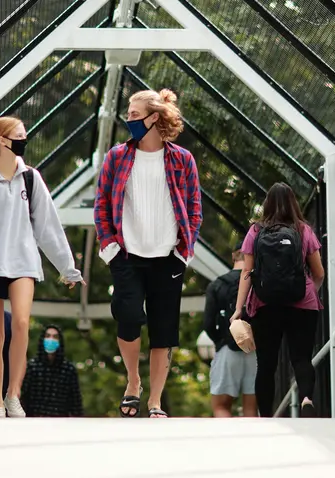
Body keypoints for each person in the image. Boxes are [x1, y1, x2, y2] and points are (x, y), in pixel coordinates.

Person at [0, 116, 85, 418]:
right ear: (0, 140)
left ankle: (13, 394)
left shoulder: (31, 178)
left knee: (22, 325)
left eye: (24, 135)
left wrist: (67, 267)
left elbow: (47, 226)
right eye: (17, 135)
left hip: (23, 263)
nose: (23, 140)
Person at [94, 88, 202, 418]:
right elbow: (101, 205)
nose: (129, 119)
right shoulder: (117, 157)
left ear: (153, 117)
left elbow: (195, 209)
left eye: (134, 114)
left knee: (163, 329)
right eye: (128, 113)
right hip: (126, 254)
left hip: (168, 256)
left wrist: (184, 251)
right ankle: (133, 381)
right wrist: (110, 247)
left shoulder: (182, 160)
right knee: (127, 315)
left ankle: (154, 401)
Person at [229, 183, 326, 418]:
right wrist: (308, 292)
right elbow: (319, 272)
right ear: (293, 202)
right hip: (302, 303)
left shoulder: (255, 231)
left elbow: (247, 273)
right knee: (301, 358)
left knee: (266, 364)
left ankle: (265, 414)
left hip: (265, 304)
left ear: (267, 204)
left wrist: (238, 309)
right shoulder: (303, 230)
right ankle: (305, 399)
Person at [203, 240, 258, 417]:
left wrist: (221, 341)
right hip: (255, 350)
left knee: (221, 406)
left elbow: (208, 323)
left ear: (234, 255)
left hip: (228, 348)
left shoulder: (217, 285)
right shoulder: (258, 282)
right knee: (251, 408)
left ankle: (228, 443)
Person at [20, 325, 84, 417]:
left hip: (60, 422)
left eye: (55, 337)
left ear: (60, 341)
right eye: (48, 336)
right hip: (34, 421)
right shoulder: (31, 367)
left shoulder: (68, 370)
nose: (51, 339)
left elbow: (76, 402)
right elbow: (23, 397)